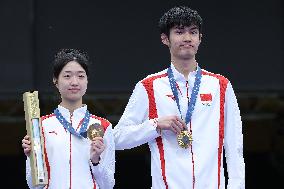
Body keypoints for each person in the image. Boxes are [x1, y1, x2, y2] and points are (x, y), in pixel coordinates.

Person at [113, 6, 244, 189]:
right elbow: (117, 139)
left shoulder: (220, 86)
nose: (187, 38)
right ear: (165, 38)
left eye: (193, 32)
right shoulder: (149, 86)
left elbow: (235, 145)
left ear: (200, 38)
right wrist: (155, 125)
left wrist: (237, 186)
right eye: (180, 32)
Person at [22, 49, 115, 189]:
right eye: (67, 76)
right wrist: (32, 158)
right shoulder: (40, 126)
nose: (74, 82)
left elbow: (108, 185)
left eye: (81, 76)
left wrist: (96, 161)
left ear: (87, 80)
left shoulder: (103, 126)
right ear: (55, 80)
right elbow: (33, 185)